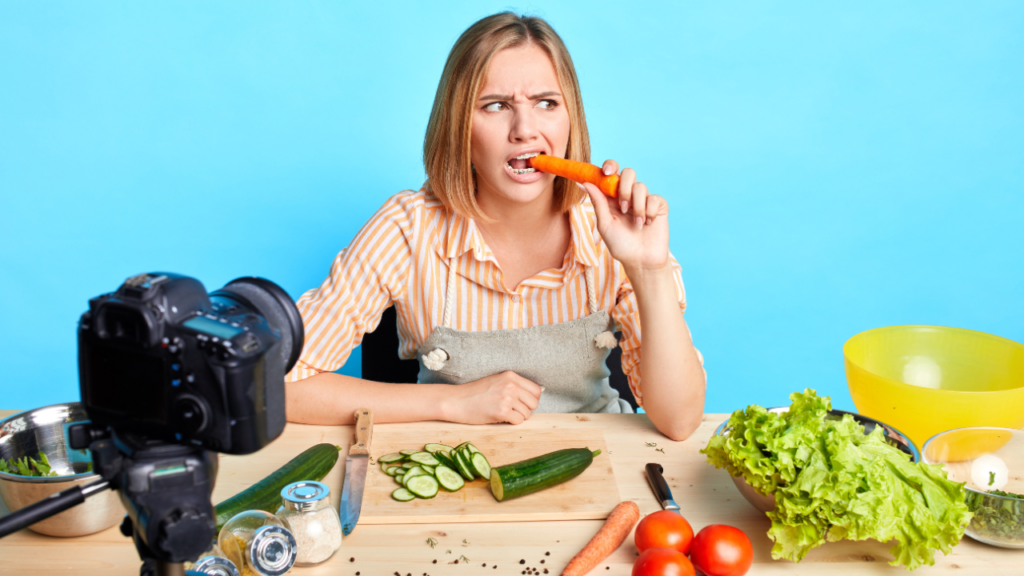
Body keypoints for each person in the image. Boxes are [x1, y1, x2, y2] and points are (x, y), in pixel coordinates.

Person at [284, 12, 705, 440]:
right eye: (496, 105)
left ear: (570, 120)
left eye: (546, 103)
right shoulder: (408, 229)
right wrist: (450, 402)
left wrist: (647, 270)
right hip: (452, 469)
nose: (525, 130)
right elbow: (280, 385)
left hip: (599, 466)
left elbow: (680, 420)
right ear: (459, 128)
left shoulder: (613, 228)